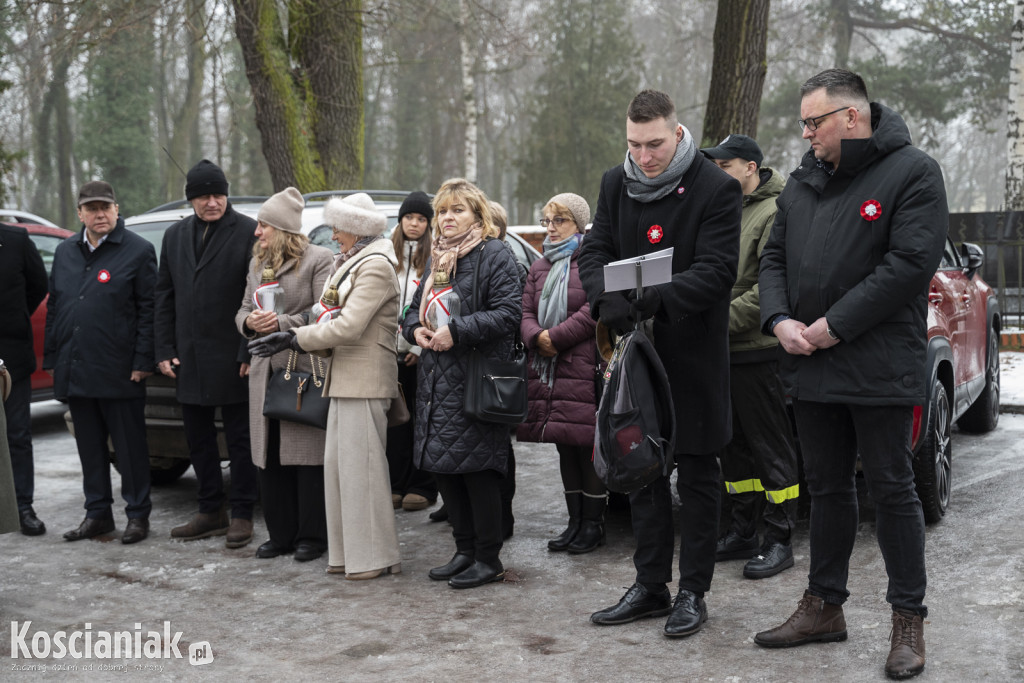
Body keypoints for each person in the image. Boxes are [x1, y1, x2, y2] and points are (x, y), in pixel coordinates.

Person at [754, 69, 946, 681]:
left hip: (878, 365)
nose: (806, 134)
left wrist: (832, 325)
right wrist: (780, 317)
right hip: (810, 362)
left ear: (852, 117)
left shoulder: (912, 172)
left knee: (891, 490)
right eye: (804, 123)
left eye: (815, 122)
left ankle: (907, 620)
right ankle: (823, 607)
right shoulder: (804, 181)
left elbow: (909, 266)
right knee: (827, 489)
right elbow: (774, 257)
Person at [577, 90, 740, 637]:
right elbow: (594, 251)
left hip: (692, 358)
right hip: (633, 357)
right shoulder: (613, 182)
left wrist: (655, 296)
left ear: (677, 133)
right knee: (641, 473)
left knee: (696, 477)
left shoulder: (716, 187)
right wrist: (606, 299)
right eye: (633, 144)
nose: (643, 157)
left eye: (654, 145)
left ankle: (693, 591)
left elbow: (718, 272)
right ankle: (650, 585)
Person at [249, 193, 402, 580]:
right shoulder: (350, 263)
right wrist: (288, 329)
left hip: (364, 380)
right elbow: (323, 312)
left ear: (357, 228)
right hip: (343, 378)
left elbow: (349, 326)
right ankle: (349, 555)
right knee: (341, 473)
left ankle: (373, 558)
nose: (333, 234)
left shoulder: (376, 266)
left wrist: (294, 340)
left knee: (362, 472)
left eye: (338, 227)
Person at [401, 178, 522, 589]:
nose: (447, 219)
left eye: (458, 210)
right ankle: (464, 550)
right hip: (436, 380)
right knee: (446, 468)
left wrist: (458, 330)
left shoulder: (494, 254)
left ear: (477, 215)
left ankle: (488, 558)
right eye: (443, 211)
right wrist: (414, 330)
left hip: (476, 380)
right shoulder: (440, 258)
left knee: (478, 470)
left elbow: (508, 314)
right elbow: (410, 312)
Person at [699, 134, 799, 579]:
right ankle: (743, 531)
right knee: (735, 449)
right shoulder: (723, 210)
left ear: (750, 168)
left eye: (726, 165)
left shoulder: (774, 211)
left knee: (771, 448)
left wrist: (716, 322)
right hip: (723, 352)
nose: (718, 171)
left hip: (758, 352)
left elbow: (770, 290)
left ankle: (779, 538)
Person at [43, 181, 157, 544]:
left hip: (121, 370)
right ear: (80, 214)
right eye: (91, 208)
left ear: (117, 209)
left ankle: (138, 515)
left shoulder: (138, 251)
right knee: (89, 449)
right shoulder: (65, 252)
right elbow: (56, 307)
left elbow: (149, 311)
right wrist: (53, 356)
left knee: (130, 449)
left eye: (105, 207)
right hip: (76, 367)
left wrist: (143, 360)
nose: (99, 213)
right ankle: (98, 514)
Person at [155, 159, 258, 549]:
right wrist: (163, 348)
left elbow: (257, 296)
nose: (211, 202)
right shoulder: (175, 235)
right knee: (197, 439)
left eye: (217, 194)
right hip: (189, 357)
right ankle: (210, 509)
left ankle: (243, 513)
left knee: (240, 440)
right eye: (203, 196)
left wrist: (248, 348)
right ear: (191, 200)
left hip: (234, 356)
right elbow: (163, 295)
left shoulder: (249, 231)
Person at [235, 187, 334, 562]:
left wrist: (281, 323)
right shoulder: (257, 263)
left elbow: (322, 313)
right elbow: (243, 307)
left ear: (282, 228)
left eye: (264, 225)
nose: (257, 232)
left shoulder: (319, 259)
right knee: (269, 455)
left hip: (303, 368)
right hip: (263, 370)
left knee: (307, 457)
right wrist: (249, 321)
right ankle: (280, 534)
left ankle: (312, 536)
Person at [516, 193, 605, 554]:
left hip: (581, 366)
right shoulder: (540, 266)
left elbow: (594, 309)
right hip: (546, 369)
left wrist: (556, 337)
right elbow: (523, 311)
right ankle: (574, 521)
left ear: (580, 224)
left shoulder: (592, 260)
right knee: (563, 445)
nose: (551, 228)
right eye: (547, 221)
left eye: (560, 220)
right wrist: (536, 337)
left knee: (587, 447)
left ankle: (593, 525)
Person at [387, 191, 438, 513]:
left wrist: (418, 349)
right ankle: (394, 482)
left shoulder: (435, 256)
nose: (415, 224)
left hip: (420, 352)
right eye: (410, 218)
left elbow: (433, 308)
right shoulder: (388, 255)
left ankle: (422, 484)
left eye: (421, 219)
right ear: (401, 220)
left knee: (422, 421)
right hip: (388, 354)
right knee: (395, 422)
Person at [0, 221, 48, 535]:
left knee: (17, 436)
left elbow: (38, 285)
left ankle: (22, 507)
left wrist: (14, 320)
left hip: (11, 358)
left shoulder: (15, 240)